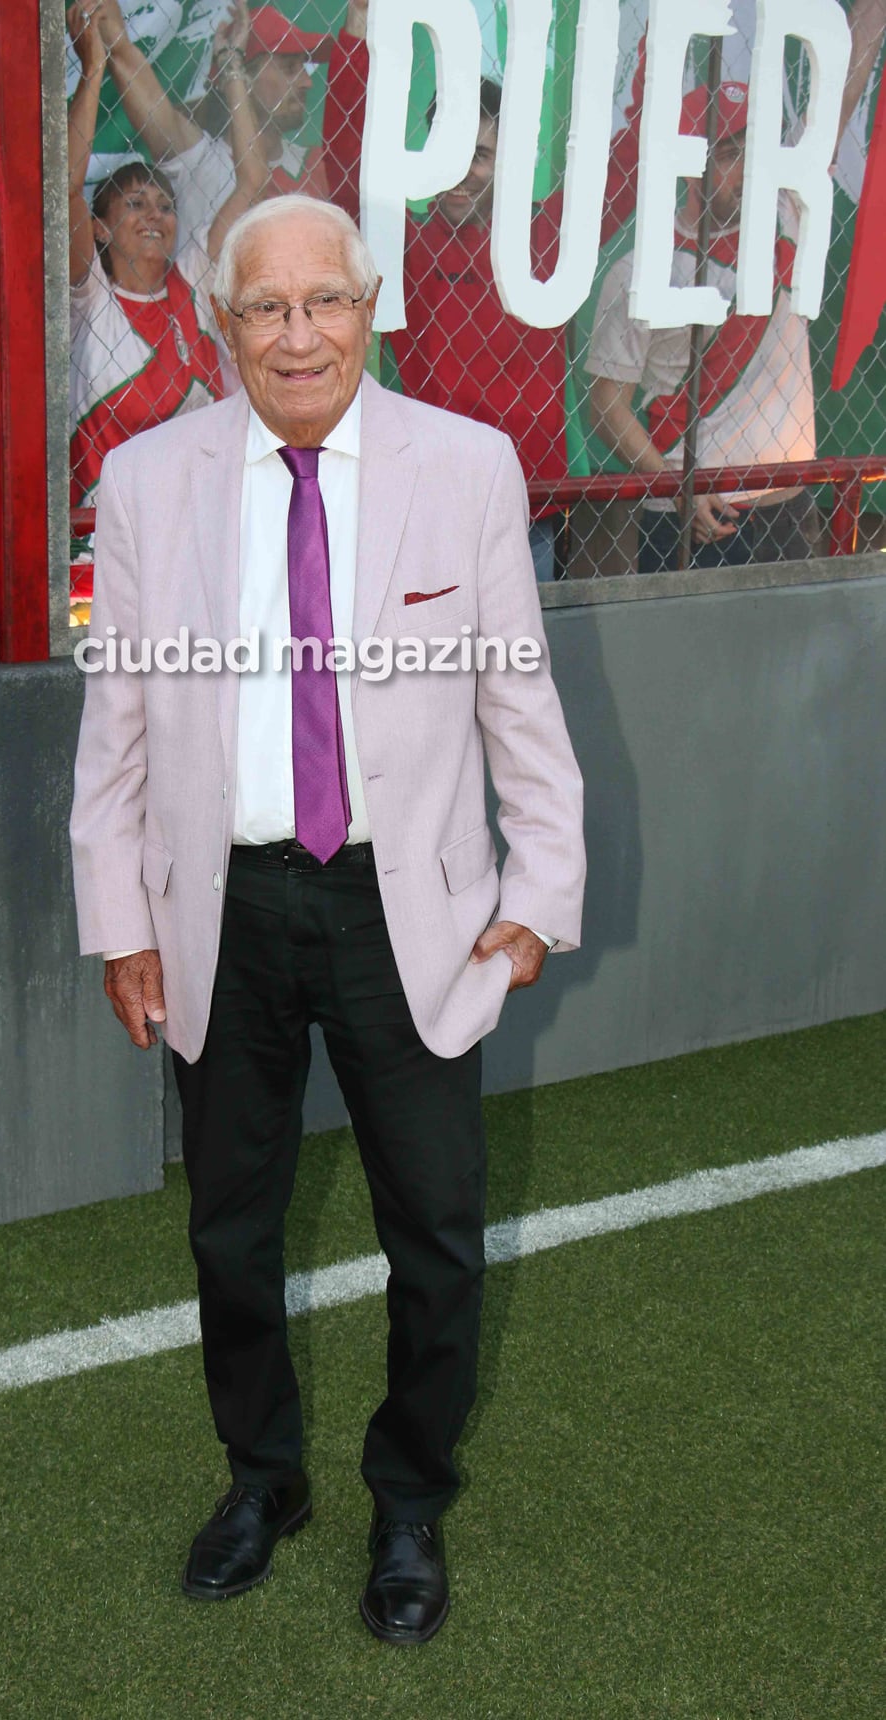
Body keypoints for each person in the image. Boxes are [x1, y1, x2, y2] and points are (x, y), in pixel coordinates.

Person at [69, 194, 586, 1644]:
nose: (296, 335)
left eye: (324, 302)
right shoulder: (146, 480)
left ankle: (408, 1500)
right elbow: (111, 731)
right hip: (217, 909)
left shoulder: (466, 467)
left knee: (435, 1233)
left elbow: (517, 705)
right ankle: (261, 1479)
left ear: (370, 309)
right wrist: (120, 920)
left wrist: (535, 901)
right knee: (228, 1233)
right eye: (263, 308)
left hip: (402, 914)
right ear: (223, 322)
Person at [321, 0, 642, 583]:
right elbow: (346, 167)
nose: (463, 172)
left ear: (509, 162)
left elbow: (625, 162)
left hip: (529, 509)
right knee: (431, 670)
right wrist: (357, 30)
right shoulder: (404, 243)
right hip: (428, 507)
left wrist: (655, 44)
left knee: (518, 667)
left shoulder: (547, 236)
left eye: (482, 156)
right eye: (451, 152)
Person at [587, 83, 821, 573]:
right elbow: (607, 407)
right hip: (692, 512)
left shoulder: (789, 220)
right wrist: (679, 490)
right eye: (732, 153)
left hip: (790, 505)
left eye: (757, 152)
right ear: (691, 162)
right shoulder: (641, 269)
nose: (750, 171)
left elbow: (839, 98)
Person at [67, 1, 262, 505]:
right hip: (101, 537)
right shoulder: (90, 298)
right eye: (134, 204)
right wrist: (92, 72)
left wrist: (233, 62)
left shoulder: (192, 278)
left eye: (165, 205)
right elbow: (64, 188)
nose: (154, 215)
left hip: (196, 526)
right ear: (100, 230)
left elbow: (251, 180)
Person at [88, 0, 339, 266]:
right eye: (290, 67)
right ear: (243, 77)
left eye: (304, 67)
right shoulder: (196, 158)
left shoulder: (317, 165)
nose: (307, 81)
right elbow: (123, 55)